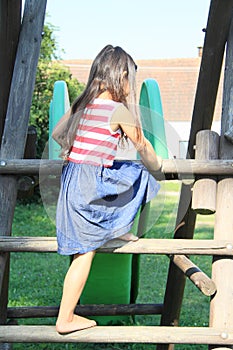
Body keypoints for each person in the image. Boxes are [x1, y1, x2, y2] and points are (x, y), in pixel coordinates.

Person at [52, 44, 162, 334]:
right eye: (130, 80)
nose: (130, 87)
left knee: (83, 252)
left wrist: (75, 150)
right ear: (121, 77)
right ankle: (65, 319)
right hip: (90, 184)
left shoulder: (81, 105)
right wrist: (159, 166)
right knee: (139, 173)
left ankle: (116, 228)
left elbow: (56, 133)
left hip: (73, 182)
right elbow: (143, 146)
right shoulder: (117, 111)